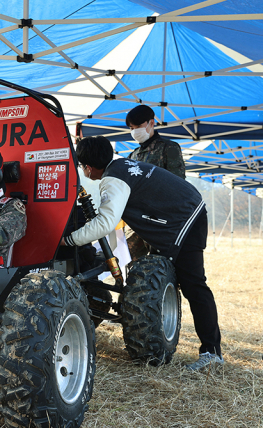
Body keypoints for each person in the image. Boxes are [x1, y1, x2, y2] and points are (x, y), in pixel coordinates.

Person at [62, 136, 222, 371]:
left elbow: (106, 222)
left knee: (193, 284)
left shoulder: (113, 179)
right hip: (181, 211)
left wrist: (69, 240)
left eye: (81, 166)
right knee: (160, 274)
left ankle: (212, 352)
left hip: (185, 217)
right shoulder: (121, 166)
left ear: (88, 166)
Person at [125, 105, 186, 259]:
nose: (134, 131)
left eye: (138, 126)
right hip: (137, 220)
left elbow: (178, 185)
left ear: (151, 123)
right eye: (132, 128)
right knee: (132, 263)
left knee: (161, 264)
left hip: (161, 220)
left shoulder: (168, 148)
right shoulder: (133, 155)